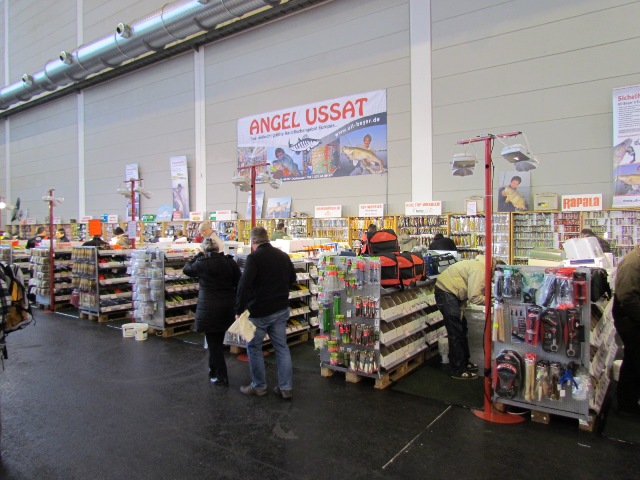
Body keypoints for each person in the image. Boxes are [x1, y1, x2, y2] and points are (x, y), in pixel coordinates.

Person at [236, 226, 296, 399]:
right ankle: (286, 388)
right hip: (280, 309)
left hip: (259, 311)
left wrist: (238, 309)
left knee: (254, 348)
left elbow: (244, 285)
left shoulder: (254, 258)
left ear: (253, 241)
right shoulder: (282, 255)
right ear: (267, 238)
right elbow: (292, 279)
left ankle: (259, 386)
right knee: (281, 348)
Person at [183, 238, 241, 386]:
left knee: (214, 343)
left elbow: (186, 269)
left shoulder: (201, 263)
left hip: (209, 308)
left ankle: (221, 376)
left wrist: (197, 256)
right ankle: (213, 370)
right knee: (217, 341)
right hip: (227, 306)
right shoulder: (229, 262)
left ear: (204, 249)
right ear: (218, 248)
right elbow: (239, 282)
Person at [434, 254, 500, 380]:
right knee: (455, 331)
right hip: (446, 292)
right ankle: (457, 369)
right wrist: (493, 301)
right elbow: (474, 296)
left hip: (451, 293)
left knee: (462, 328)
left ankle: (464, 362)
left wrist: (462, 310)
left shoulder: (480, 266)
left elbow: (464, 290)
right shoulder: (481, 270)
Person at [612, 245, 640, 416]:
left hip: (631, 319)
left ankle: (627, 403)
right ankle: (627, 403)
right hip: (630, 321)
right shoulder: (633, 262)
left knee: (631, 360)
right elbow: (627, 297)